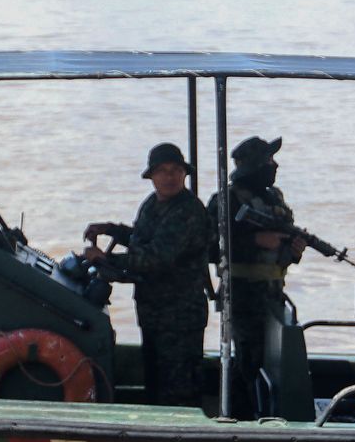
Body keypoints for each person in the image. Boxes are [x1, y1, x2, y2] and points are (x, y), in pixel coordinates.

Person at [82, 142, 211, 408]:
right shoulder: (152, 204)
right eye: (162, 171)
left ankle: (182, 431)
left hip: (180, 316)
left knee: (178, 389)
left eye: (176, 170)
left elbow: (156, 257)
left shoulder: (188, 210)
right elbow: (142, 240)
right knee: (155, 382)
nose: (169, 177)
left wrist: (105, 259)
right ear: (151, 176)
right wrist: (111, 230)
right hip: (153, 312)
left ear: (184, 174)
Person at [204, 136, 304, 419]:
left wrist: (293, 250)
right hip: (242, 294)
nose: (274, 165)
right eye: (269, 160)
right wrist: (255, 241)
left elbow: (282, 245)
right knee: (248, 360)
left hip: (273, 292)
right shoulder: (226, 200)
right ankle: (243, 416)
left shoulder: (274, 198)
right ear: (255, 165)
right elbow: (210, 248)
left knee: (271, 360)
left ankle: (265, 413)